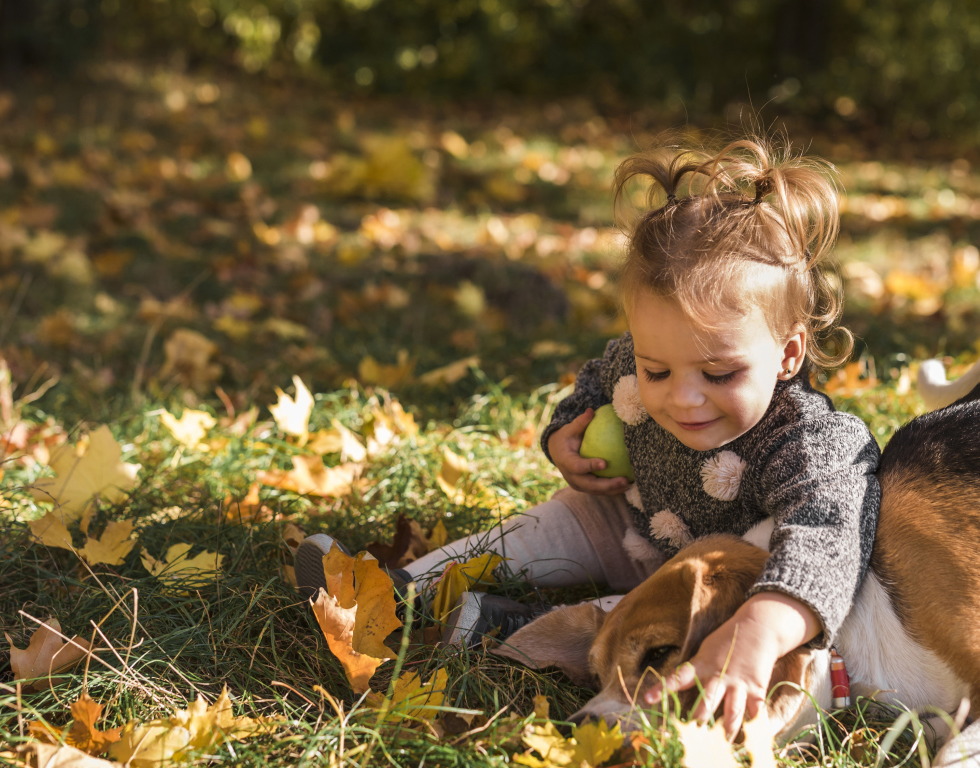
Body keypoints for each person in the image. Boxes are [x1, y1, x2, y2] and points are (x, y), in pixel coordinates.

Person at [296, 135, 880, 736]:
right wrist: (562, 438)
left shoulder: (810, 441)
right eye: (657, 370)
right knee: (552, 522)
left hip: (705, 587)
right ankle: (397, 591)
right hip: (627, 522)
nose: (681, 397)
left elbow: (828, 539)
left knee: (668, 605)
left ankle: (502, 627)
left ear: (787, 356)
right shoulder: (635, 362)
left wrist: (760, 627)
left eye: (719, 373)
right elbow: (595, 384)